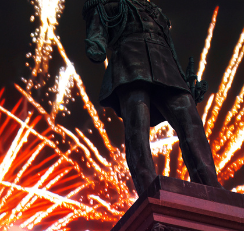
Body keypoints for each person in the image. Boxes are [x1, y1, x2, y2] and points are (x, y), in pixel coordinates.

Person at [82, 0, 220, 194]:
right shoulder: (107, 5)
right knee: (137, 128)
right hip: (130, 63)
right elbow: (97, 36)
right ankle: (148, 187)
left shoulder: (154, 10)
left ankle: (211, 185)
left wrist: (185, 80)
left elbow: (169, 47)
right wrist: (96, 44)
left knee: (191, 121)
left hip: (165, 65)